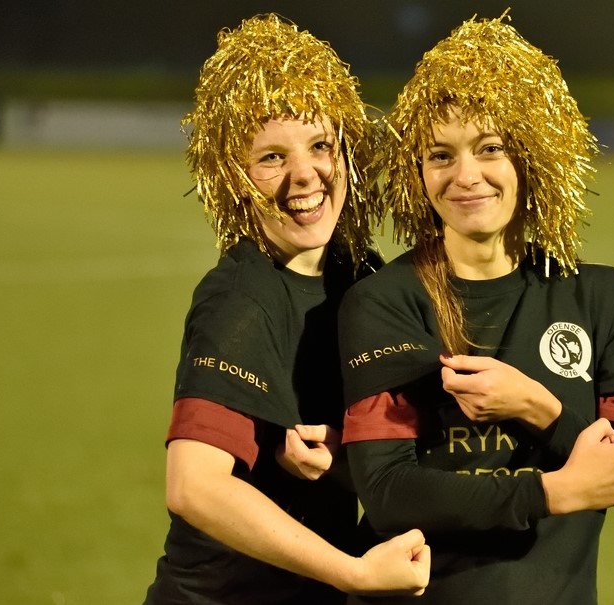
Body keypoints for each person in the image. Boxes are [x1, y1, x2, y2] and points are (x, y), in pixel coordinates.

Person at [337, 13, 614, 605]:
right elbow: (388, 493)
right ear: (418, 172)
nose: (465, 176)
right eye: (440, 155)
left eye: (490, 148)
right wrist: (552, 493)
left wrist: (540, 409)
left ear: (532, 157)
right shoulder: (384, 302)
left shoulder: (601, 297)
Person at [143, 14, 429, 604]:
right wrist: (353, 573)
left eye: (321, 145)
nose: (305, 175)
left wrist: (345, 457)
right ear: (234, 177)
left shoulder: (362, 276)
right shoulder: (241, 298)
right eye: (272, 157)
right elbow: (194, 487)